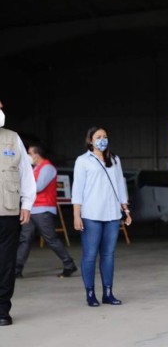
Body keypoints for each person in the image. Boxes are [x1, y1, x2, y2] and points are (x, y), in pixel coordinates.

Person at [72, 126, 132, 308]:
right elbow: (78, 189)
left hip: (112, 214)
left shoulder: (114, 160)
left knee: (108, 255)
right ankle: (90, 293)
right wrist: (77, 215)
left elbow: (120, 185)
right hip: (91, 214)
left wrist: (126, 210)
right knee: (90, 255)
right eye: (98, 137)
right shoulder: (83, 161)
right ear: (90, 140)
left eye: (105, 136)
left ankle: (108, 292)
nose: (102, 140)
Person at [15, 144, 77, 278]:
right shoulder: (34, 168)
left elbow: (38, 186)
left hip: (43, 209)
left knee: (50, 239)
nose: (28, 155)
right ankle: (17, 269)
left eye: (29, 153)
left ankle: (68, 263)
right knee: (24, 238)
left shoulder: (47, 167)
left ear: (37, 155)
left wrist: (21, 186)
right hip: (31, 209)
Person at [0, 100, 36, 326]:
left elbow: (25, 173)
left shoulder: (13, 138)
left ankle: (2, 310)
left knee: (5, 262)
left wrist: (27, 204)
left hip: (8, 210)